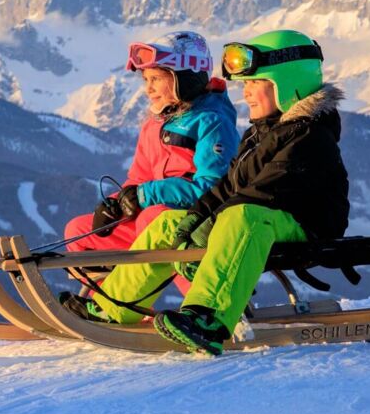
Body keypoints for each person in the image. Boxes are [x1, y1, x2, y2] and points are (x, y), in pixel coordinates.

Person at [62, 30, 350, 356]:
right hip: (259, 217)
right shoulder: (264, 134)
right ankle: (111, 307)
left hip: (303, 225)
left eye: (255, 83)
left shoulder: (310, 137)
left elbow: (261, 193)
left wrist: (207, 227)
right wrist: (195, 220)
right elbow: (227, 186)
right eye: (245, 85)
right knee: (166, 224)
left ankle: (207, 318)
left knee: (241, 216)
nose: (247, 94)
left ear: (285, 83)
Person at [63, 31, 240, 264]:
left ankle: (200, 298)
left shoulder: (211, 122)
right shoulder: (153, 126)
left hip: (198, 223)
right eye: (146, 80)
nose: (148, 89)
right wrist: (118, 204)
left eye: (155, 79)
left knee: (153, 219)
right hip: (151, 220)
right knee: (79, 232)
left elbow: (214, 186)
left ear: (184, 78)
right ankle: (104, 299)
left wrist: (147, 195)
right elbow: (139, 179)